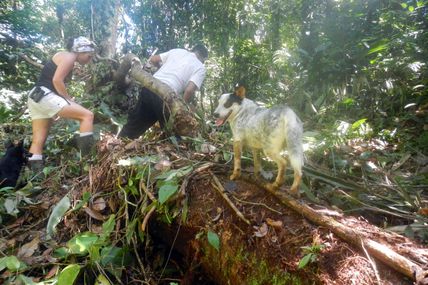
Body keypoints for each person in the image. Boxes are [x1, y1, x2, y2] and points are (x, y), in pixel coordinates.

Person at [27, 36, 96, 172]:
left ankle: (34, 176)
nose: (90, 59)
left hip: (36, 97)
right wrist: (68, 100)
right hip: (45, 95)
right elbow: (57, 80)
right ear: (81, 51)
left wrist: (52, 109)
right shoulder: (70, 56)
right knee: (87, 116)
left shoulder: (63, 56)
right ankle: (88, 164)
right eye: (89, 56)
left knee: (38, 140)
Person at [118, 44, 208, 139]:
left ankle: (115, 147)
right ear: (203, 58)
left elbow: (153, 59)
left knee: (133, 127)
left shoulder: (178, 51)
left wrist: (161, 67)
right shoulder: (200, 67)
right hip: (166, 97)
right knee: (175, 136)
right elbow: (189, 91)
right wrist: (180, 111)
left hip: (150, 87)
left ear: (192, 50)